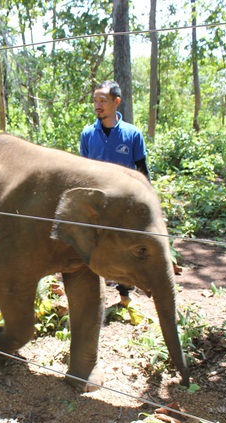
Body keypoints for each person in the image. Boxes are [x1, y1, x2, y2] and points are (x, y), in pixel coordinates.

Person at [80, 80, 150, 308]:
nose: (97, 105)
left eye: (103, 100)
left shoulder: (133, 134)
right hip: (97, 204)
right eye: (95, 100)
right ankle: (95, 298)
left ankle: (125, 298)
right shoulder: (88, 134)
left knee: (125, 250)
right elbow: (84, 169)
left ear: (116, 102)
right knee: (95, 247)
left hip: (125, 204)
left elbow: (142, 170)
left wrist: (148, 201)